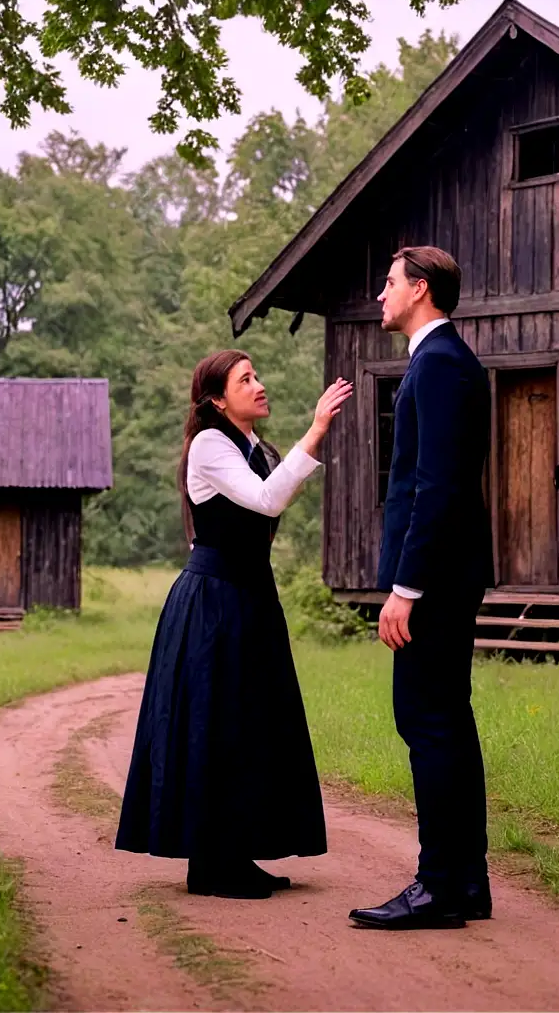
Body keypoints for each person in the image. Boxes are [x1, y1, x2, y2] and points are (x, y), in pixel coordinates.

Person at [115, 349, 353, 900]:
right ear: (218, 399)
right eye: (246, 379)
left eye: (258, 375)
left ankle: (237, 849)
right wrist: (316, 429)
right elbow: (267, 503)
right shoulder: (208, 445)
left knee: (249, 722)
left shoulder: (255, 448)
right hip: (213, 602)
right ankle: (210, 865)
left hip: (248, 596)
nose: (259, 384)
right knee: (214, 723)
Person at [348, 246, 493, 930]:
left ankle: (438, 884)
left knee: (427, 721)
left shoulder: (436, 365)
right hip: (452, 572)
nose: (381, 296)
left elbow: (434, 486)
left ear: (421, 290)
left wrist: (405, 587)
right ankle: (467, 882)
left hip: (433, 579)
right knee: (448, 722)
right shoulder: (448, 361)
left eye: (389, 284)